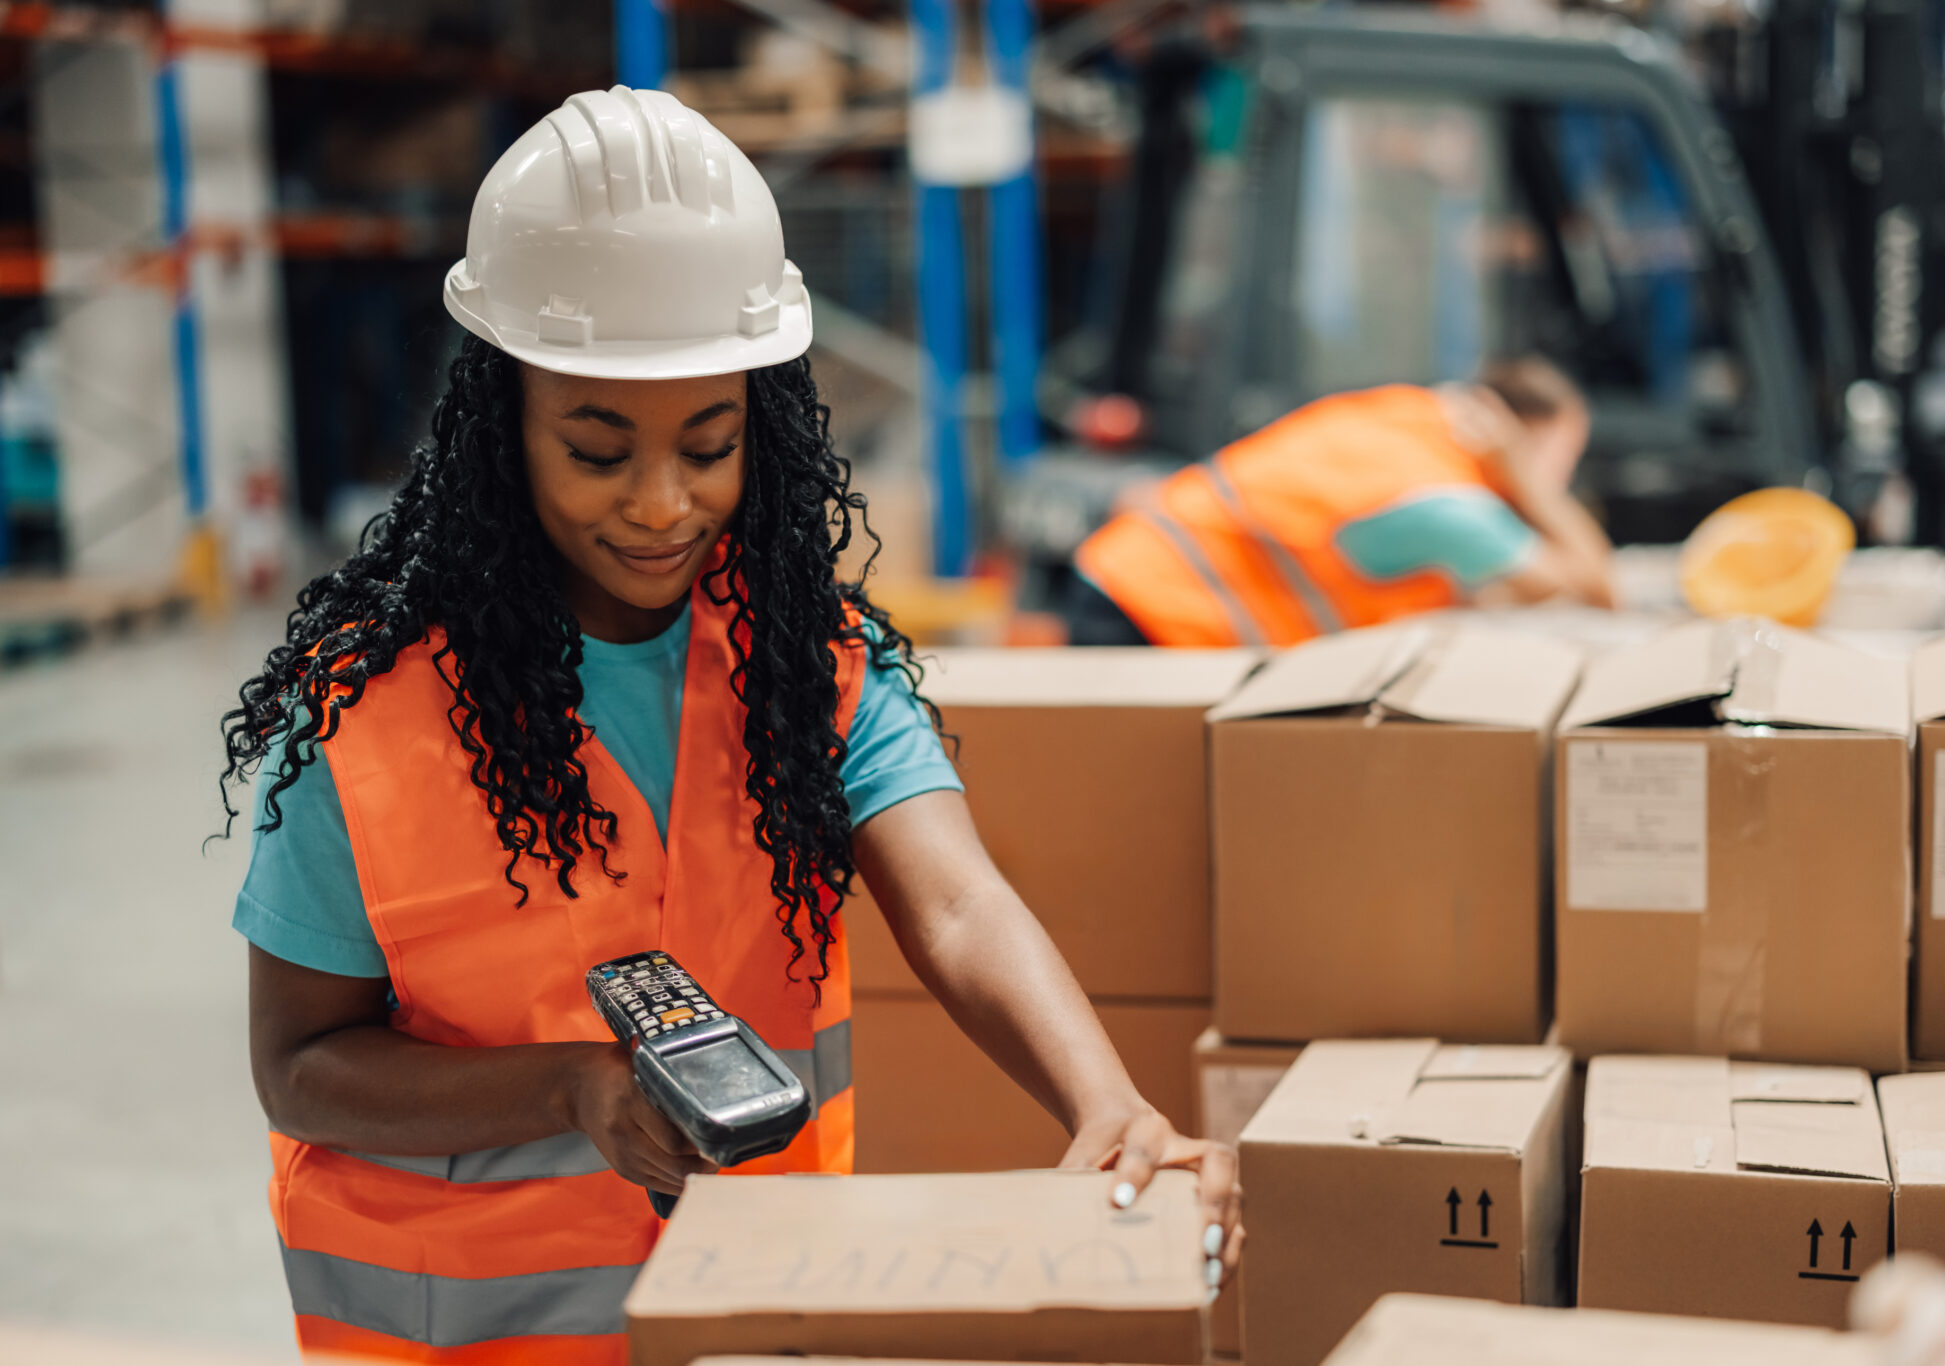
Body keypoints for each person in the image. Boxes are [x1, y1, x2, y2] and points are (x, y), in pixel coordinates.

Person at [220, 87, 1239, 1365]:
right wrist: (570, 1089)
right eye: (598, 451)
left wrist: (1106, 1101)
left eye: (708, 444)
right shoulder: (361, 719)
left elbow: (962, 906)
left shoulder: (804, 670)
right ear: (500, 430)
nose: (661, 504)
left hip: (745, 1319)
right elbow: (301, 1063)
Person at [1068, 359, 1618, 646]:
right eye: (1560, 458)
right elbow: (1595, 591)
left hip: (1129, 584)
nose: (1562, 478)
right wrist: (1530, 482)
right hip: (1152, 611)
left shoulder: (1410, 418)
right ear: (1511, 435)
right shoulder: (1444, 503)